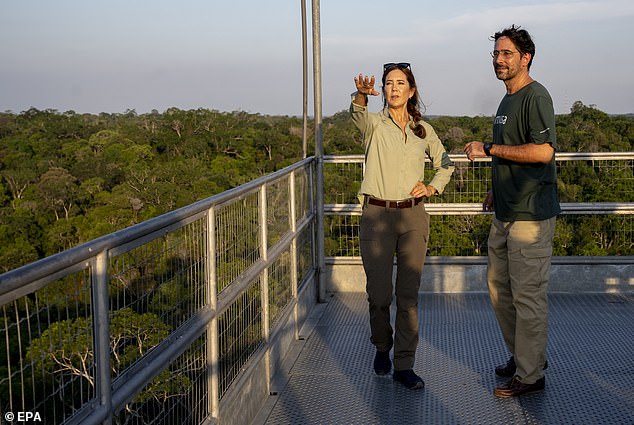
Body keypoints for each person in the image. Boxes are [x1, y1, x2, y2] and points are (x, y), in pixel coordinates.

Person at [464, 25, 560, 398]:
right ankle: (525, 356)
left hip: (530, 217)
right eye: (496, 54)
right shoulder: (507, 101)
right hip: (505, 211)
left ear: (526, 57)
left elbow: (543, 152)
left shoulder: (536, 97)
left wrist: (489, 149)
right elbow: (512, 152)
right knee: (498, 289)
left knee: (527, 296)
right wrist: (494, 187)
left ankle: (531, 375)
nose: (499, 60)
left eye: (507, 54)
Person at [351, 62, 454, 390]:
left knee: (408, 296)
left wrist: (432, 186)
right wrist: (360, 96)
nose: (393, 88)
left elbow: (445, 163)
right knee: (379, 295)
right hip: (377, 217)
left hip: (413, 218)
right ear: (382, 90)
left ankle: (404, 364)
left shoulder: (424, 130)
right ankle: (382, 345)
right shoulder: (374, 125)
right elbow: (357, 115)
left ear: (411, 90)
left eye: (400, 83)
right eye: (388, 83)